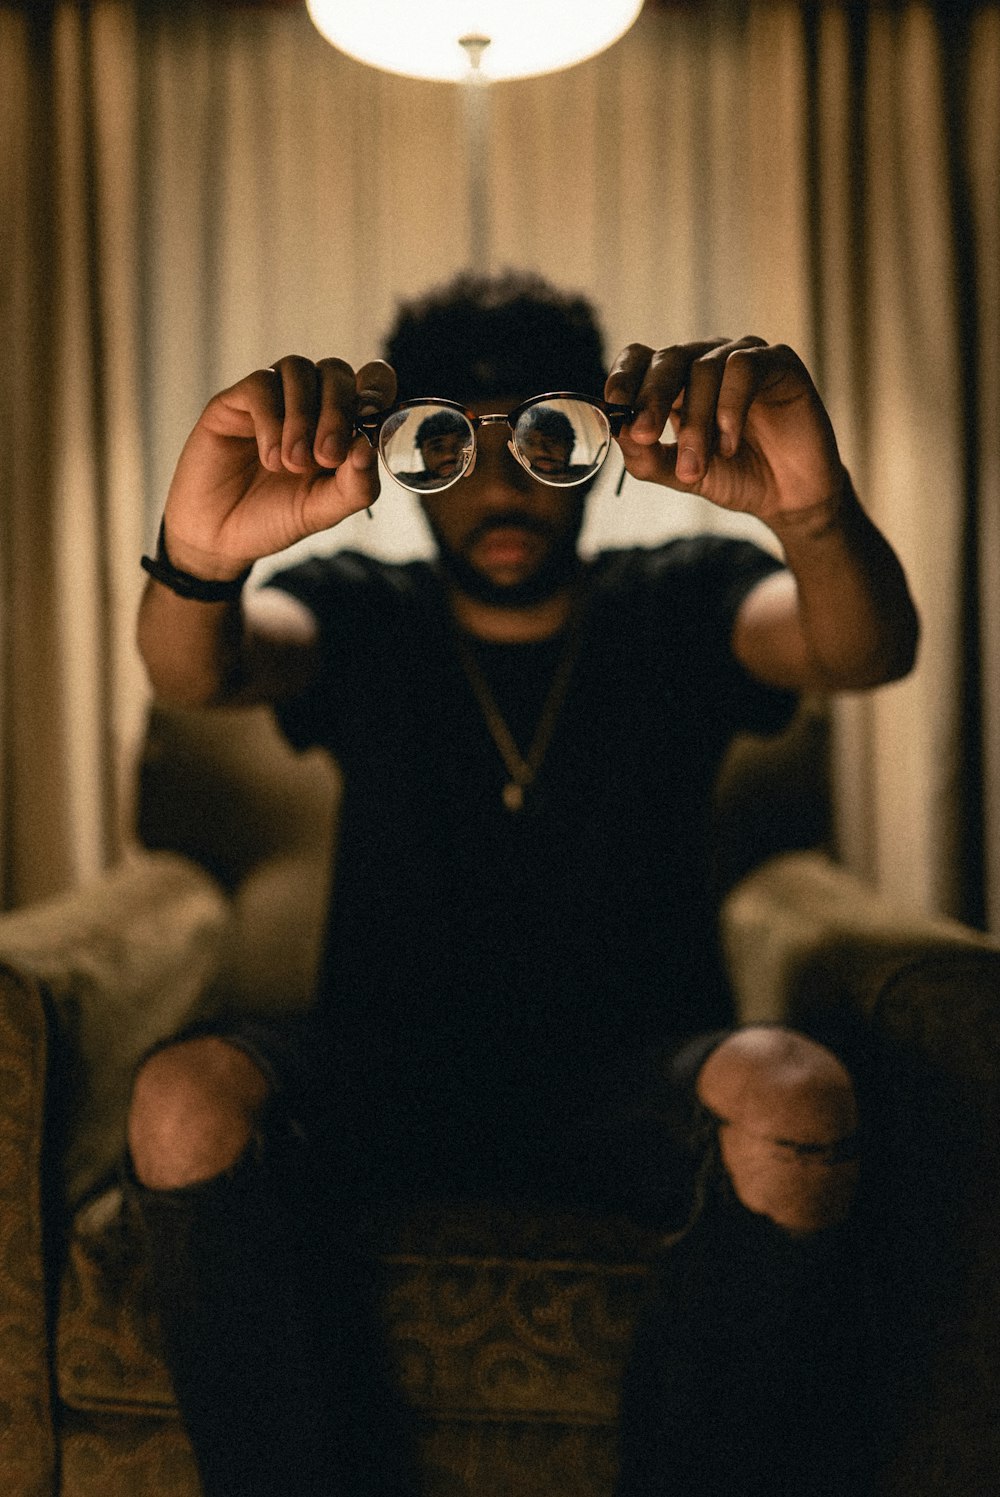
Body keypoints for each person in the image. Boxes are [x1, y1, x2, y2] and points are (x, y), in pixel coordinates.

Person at [131, 270, 920, 1496]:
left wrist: (813, 516)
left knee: (799, 1098)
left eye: (542, 436)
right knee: (181, 1101)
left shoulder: (678, 600)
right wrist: (195, 558)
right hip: (386, 1063)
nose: (500, 482)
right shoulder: (363, 612)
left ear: (597, 443)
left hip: (634, 1068)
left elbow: (864, 648)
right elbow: (199, 674)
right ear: (406, 461)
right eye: (453, 441)